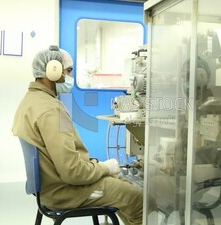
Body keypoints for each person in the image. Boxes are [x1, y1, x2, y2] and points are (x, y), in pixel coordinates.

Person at [12, 45, 143, 225]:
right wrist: (105, 168)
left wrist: (98, 168)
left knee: (123, 190)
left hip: (49, 189)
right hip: (67, 192)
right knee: (138, 198)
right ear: (53, 71)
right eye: (69, 70)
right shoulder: (52, 110)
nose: (71, 77)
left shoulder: (30, 101)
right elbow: (72, 172)